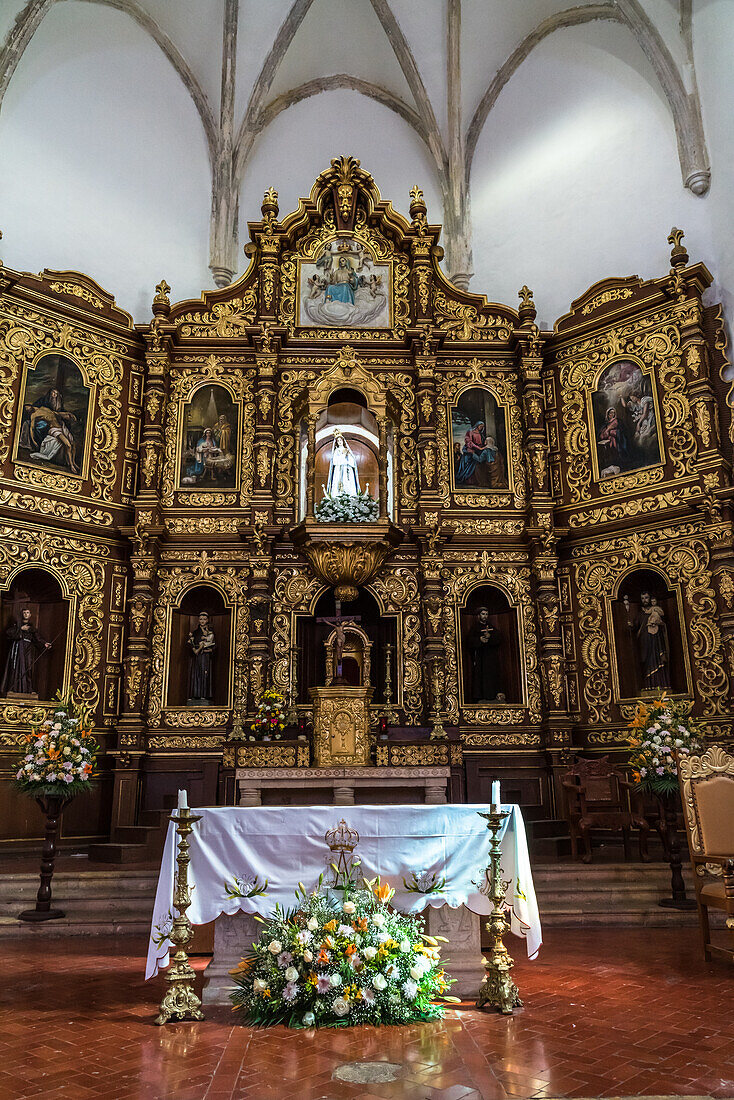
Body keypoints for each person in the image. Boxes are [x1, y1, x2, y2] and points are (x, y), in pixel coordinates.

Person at [624, 590, 671, 691]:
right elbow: (636, 626)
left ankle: (662, 686)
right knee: (646, 662)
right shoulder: (641, 614)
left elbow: (664, 624)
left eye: (646, 598)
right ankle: (648, 686)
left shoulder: (657, 611)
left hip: (657, 642)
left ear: (650, 599)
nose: (644, 600)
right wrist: (630, 625)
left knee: (659, 660)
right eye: (642, 598)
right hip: (644, 643)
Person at [1, 609, 52, 696]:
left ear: (30, 615)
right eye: (24, 613)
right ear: (22, 614)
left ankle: (28, 689)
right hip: (18, 648)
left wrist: (45, 644)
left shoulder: (32, 628)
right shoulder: (16, 625)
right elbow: (8, 633)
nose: (26, 614)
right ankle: (13, 688)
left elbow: (37, 639)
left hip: (28, 649)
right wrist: (20, 628)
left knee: (28, 668)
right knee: (15, 667)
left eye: (27, 612)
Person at [466, 607, 502, 703]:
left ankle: (491, 696)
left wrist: (490, 637)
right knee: (480, 676)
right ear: (479, 615)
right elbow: (469, 642)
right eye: (483, 614)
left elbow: (498, 638)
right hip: (480, 657)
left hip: (490, 658)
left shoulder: (491, 627)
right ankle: (480, 697)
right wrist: (480, 640)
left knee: (491, 677)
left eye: (486, 614)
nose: (485, 616)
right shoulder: (475, 628)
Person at [187, 611, 216, 704]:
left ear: (207, 620)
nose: (202, 621)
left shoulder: (210, 632)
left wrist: (209, 650)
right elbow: (190, 644)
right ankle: (195, 694)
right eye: (200, 619)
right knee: (196, 674)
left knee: (205, 674)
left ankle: (204, 694)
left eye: (204, 619)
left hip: (205, 657)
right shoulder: (195, 633)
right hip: (196, 657)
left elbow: (214, 646)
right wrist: (194, 649)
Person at [326, 430, 360, 497]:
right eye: (338, 441)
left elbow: (352, 462)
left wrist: (347, 460)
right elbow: (335, 462)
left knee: (348, 483)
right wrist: (343, 456)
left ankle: (350, 498)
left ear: (343, 441)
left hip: (347, 470)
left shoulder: (347, 450)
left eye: (340, 440)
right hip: (338, 470)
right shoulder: (336, 451)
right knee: (338, 483)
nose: (339, 442)